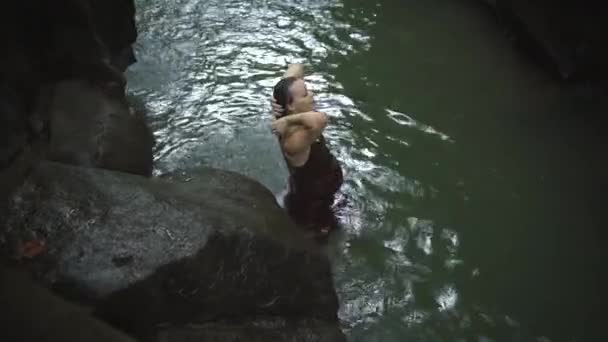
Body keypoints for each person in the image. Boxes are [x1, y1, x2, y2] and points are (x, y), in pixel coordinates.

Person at [270, 64, 343, 237]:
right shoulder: (292, 140)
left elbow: (297, 67)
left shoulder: (288, 113)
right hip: (313, 204)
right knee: (324, 238)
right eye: (305, 94)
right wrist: (289, 122)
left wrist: (276, 94)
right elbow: (322, 120)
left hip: (323, 189)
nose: (311, 94)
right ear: (291, 106)